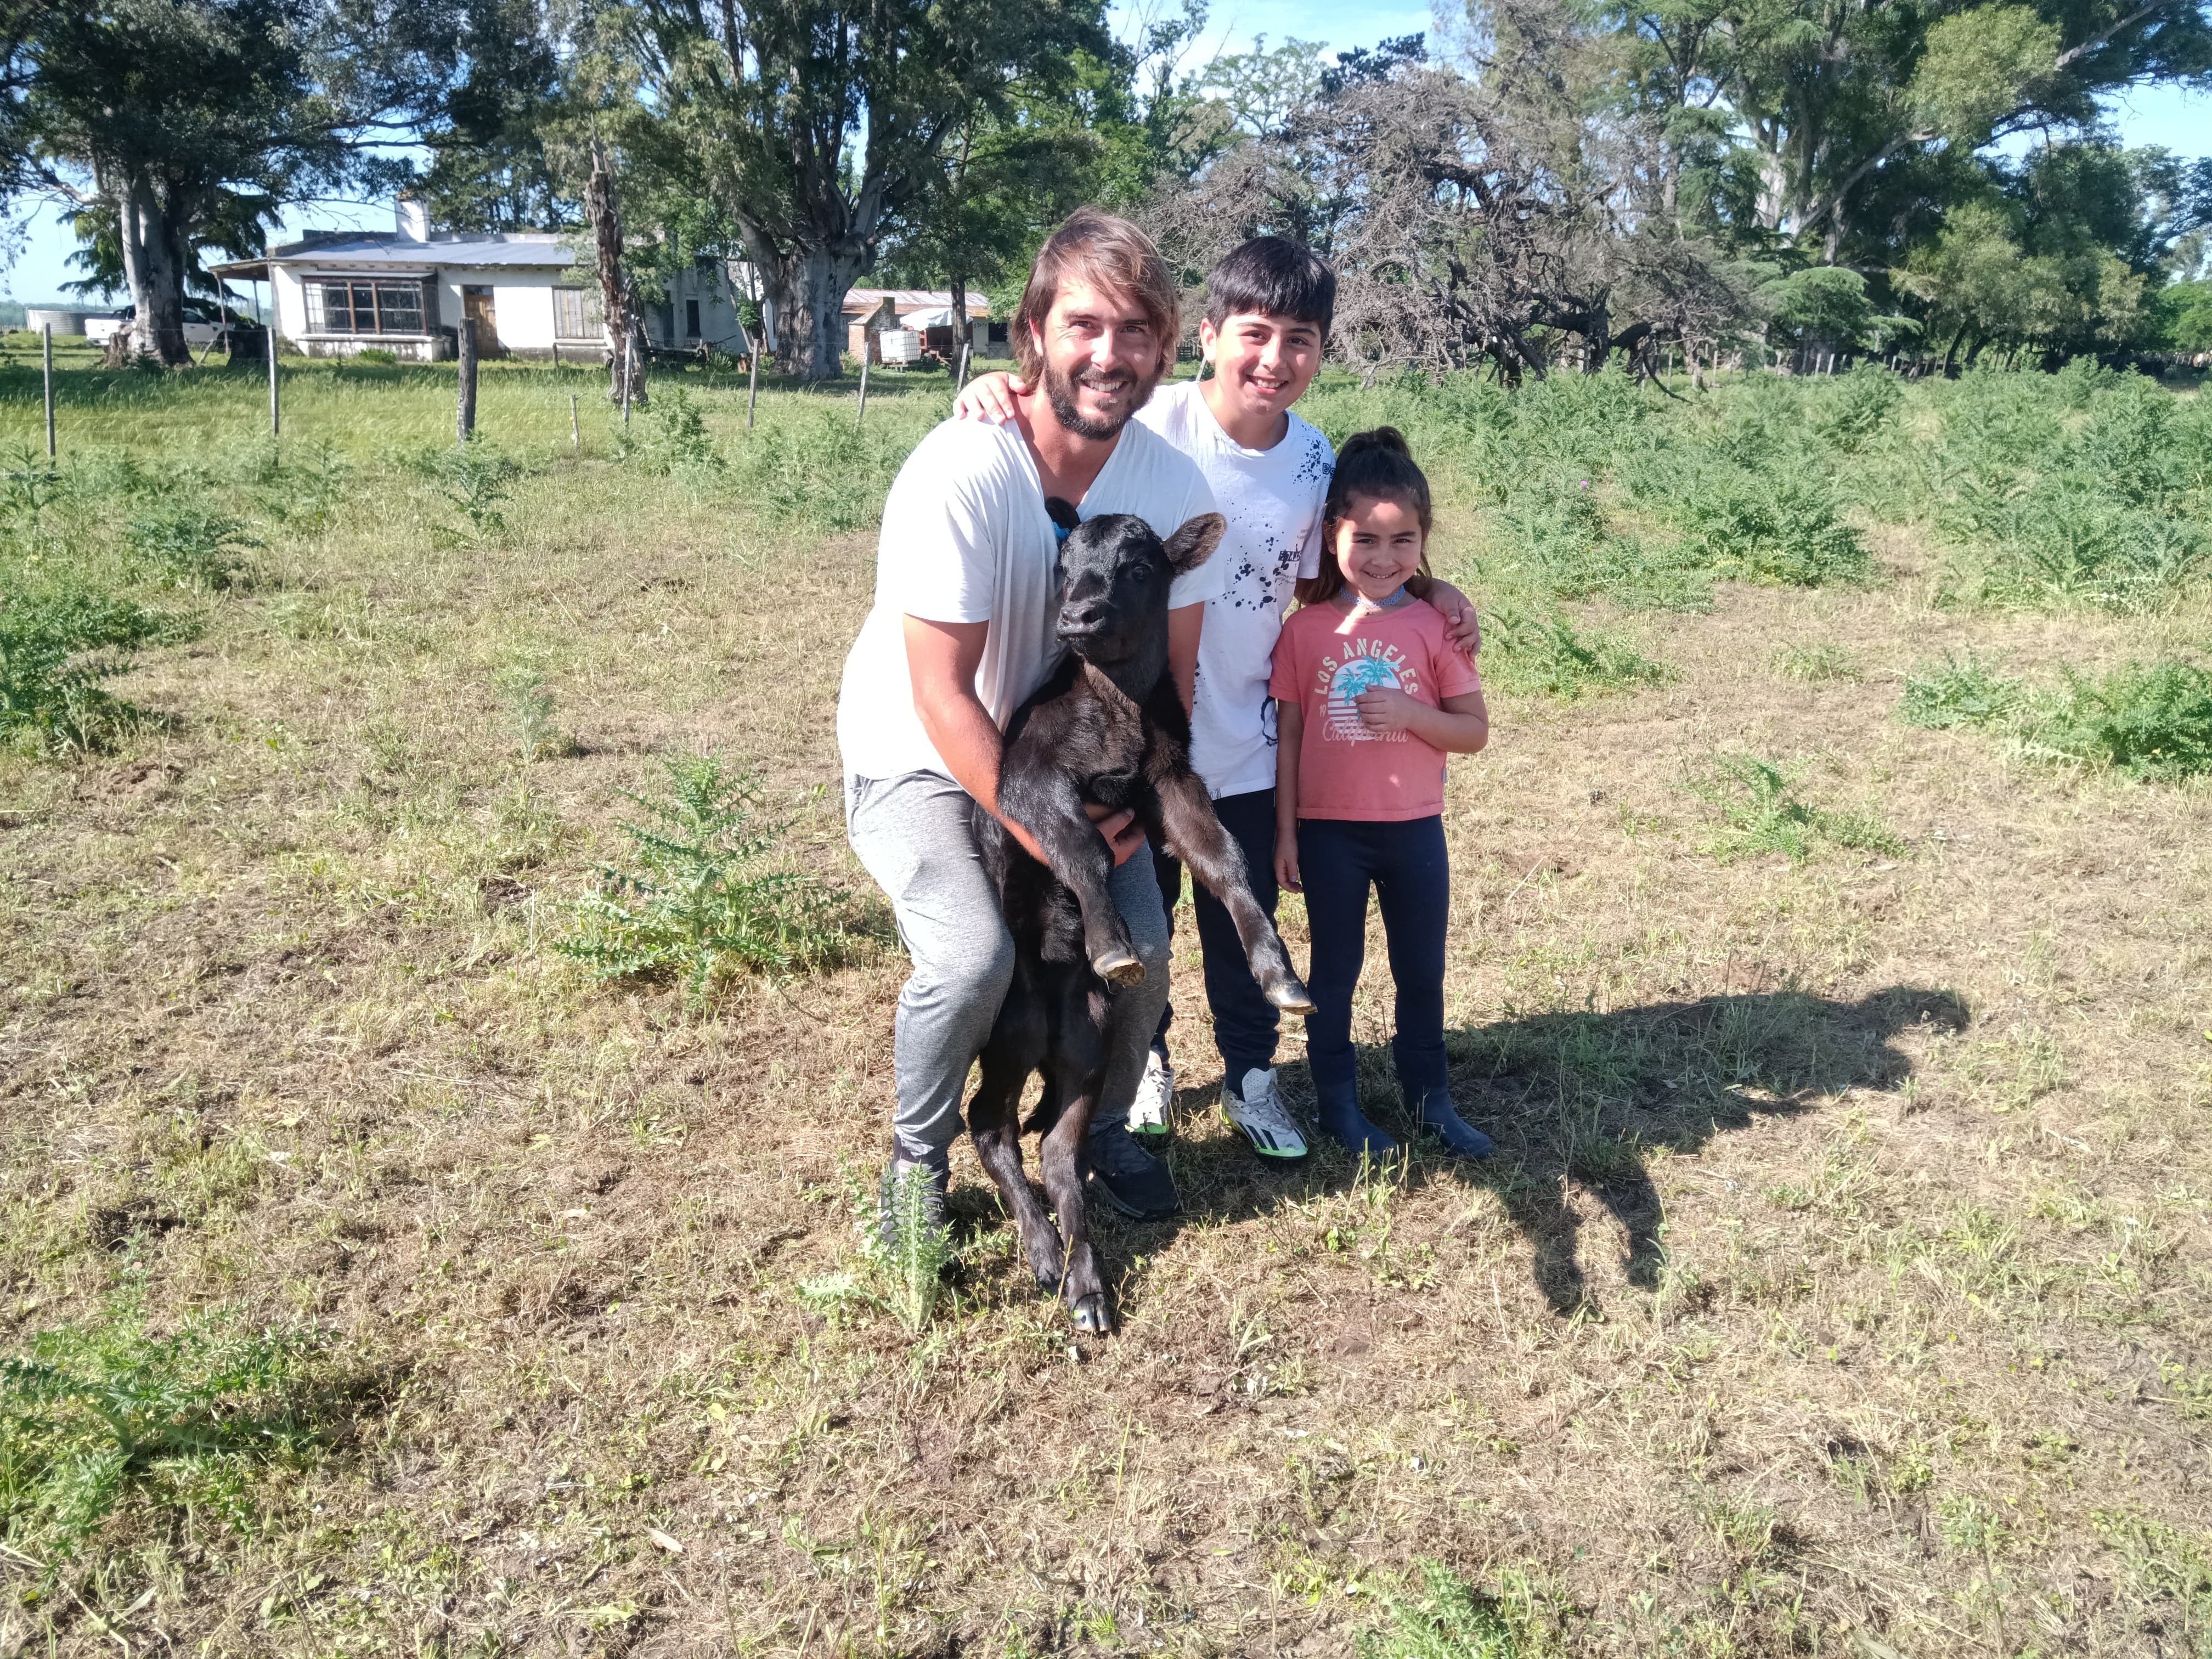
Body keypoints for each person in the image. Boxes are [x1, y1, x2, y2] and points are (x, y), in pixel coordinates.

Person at [954, 238, 1482, 1161]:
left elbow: (1358, 558)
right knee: (1139, 916)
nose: (1275, 360)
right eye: (1256, 334)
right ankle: (1147, 1065)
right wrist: (991, 388)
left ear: (1323, 352)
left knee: (1245, 921)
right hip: (1135, 734)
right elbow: (1058, 409)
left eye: (1302, 341)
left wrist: (1437, 592)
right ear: (1203, 335)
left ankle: (1251, 1075)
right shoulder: (1143, 421)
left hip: (1243, 723)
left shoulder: (1315, 462)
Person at [836, 208, 1220, 1226]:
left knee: (1139, 955)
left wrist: (1135, 805)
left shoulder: (1170, 481)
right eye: (1085, 324)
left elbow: (1163, 689)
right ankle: (918, 1161)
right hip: (922, 755)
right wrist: (1052, 837)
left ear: (1166, 350)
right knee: (975, 956)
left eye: (1136, 331)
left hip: (1072, 759)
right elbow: (940, 693)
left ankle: (1088, 1134)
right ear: (1034, 334)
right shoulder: (964, 467)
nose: (1109, 353)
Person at [1270, 428, 1495, 1160]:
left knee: (1420, 971)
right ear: (1332, 534)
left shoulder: (1436, 626)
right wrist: (1285, 833)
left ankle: (1430, 1097)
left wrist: (1409, 715)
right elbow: (1293, 739)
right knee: (1334, 973)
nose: (1383, 557)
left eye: (1403, 541)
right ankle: (1338, 1102)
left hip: (1414, 832)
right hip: (1330, 832)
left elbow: (1472, 732)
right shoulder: (1303, 632)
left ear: (1424, 542)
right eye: (1365, 538)